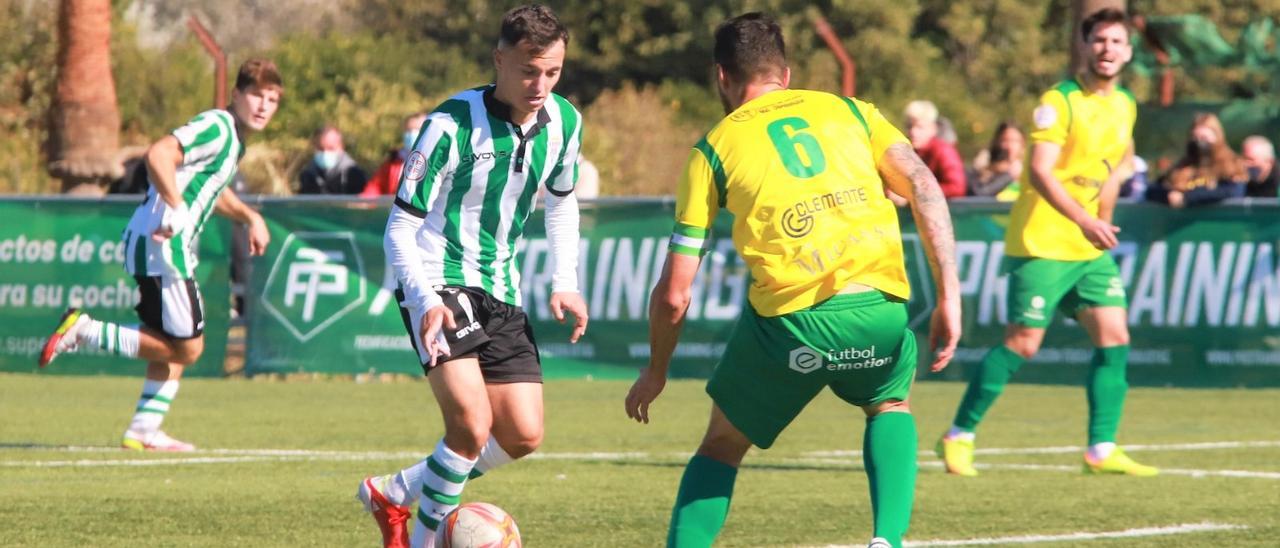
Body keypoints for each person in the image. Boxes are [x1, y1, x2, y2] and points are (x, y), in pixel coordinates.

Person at [623, 13, 961, 548]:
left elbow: (674, 292)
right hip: (880, 312)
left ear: (722, 78)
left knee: (721, 446)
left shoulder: (712, 149)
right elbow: (922, 182)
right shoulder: (851, 111)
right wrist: (949, 297)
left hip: (793, 327)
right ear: (787, 72)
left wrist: (656, 369)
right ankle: (886, 541)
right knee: (890, 403)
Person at [352, 6, 588, 548]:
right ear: (499, 59)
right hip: (437, 279)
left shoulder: (566, 123)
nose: (541, 85)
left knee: (524, 434)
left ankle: (395, 491)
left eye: (553, 72)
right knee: (470, 426)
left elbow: (561, 204)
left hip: (500, 289)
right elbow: (399, 228)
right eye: (529, 70)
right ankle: (426, 541)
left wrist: (564, 281)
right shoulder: (448, 125)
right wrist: (424, 297)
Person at [937, 8, 1159, 478]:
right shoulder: (1058, 101)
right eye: (1099, 40)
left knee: (1115, 337)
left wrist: (1104, 216)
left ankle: (1101, 449)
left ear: (1129, 52)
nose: (1108, 50)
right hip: (1042, 241)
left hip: (1088, 247)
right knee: (1022, 344)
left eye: (1117, 42)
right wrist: (1083, 218)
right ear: (1085, 46)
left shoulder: (1125, 104)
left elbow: (1118, 164)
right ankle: (959, 434)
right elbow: (1038, 170)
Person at [37, 59, 282, 451]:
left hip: (154, 243)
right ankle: (84, 330)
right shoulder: (218, 126)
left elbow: (212, 190)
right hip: (162, 245)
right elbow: (158, 154)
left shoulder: (233, 141)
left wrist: (250, 216)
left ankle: (144, 429)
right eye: (255, 94)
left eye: (272, 99)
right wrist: (176, 205)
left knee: (168, 341)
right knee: (189, 347)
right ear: (236, 94)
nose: (263, 105)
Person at [1145, 113, 1246, 207]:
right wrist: (1169, 195)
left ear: (1217, 136)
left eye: (1204, 138)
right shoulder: (1183, 166)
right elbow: (1153, 189)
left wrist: (1189, 197)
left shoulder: (1231, 164)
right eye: (1195, 138)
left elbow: (1233, 191)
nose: (1199, 143)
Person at [904, 99, 967, 199]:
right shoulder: (907, 150)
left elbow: (956, 188)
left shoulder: (943, 151)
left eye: (920, 127)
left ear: (933, 128)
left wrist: (914, 193)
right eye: (909, 126)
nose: (913, 132)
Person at [360, 113, 428, 199]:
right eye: (408, 130)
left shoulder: (435, 159)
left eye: (417, 130)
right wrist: (362, 202)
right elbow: (376, 186)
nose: (411, 134)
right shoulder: (393, 161)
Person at [298, 124, 368, 194]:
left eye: (330, 148)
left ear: (341, 147)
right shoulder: (308, 175)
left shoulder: (354, 174)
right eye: (320, 149)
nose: (325, 153)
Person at [967, 121, 1026, 199]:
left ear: (1023, 143)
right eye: (1005, 140)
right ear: (997, 142)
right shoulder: (984, 167)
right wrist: (1008, 175)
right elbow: (981, 193)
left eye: (1014, 141)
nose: (1009, 146)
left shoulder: (1030, 168)